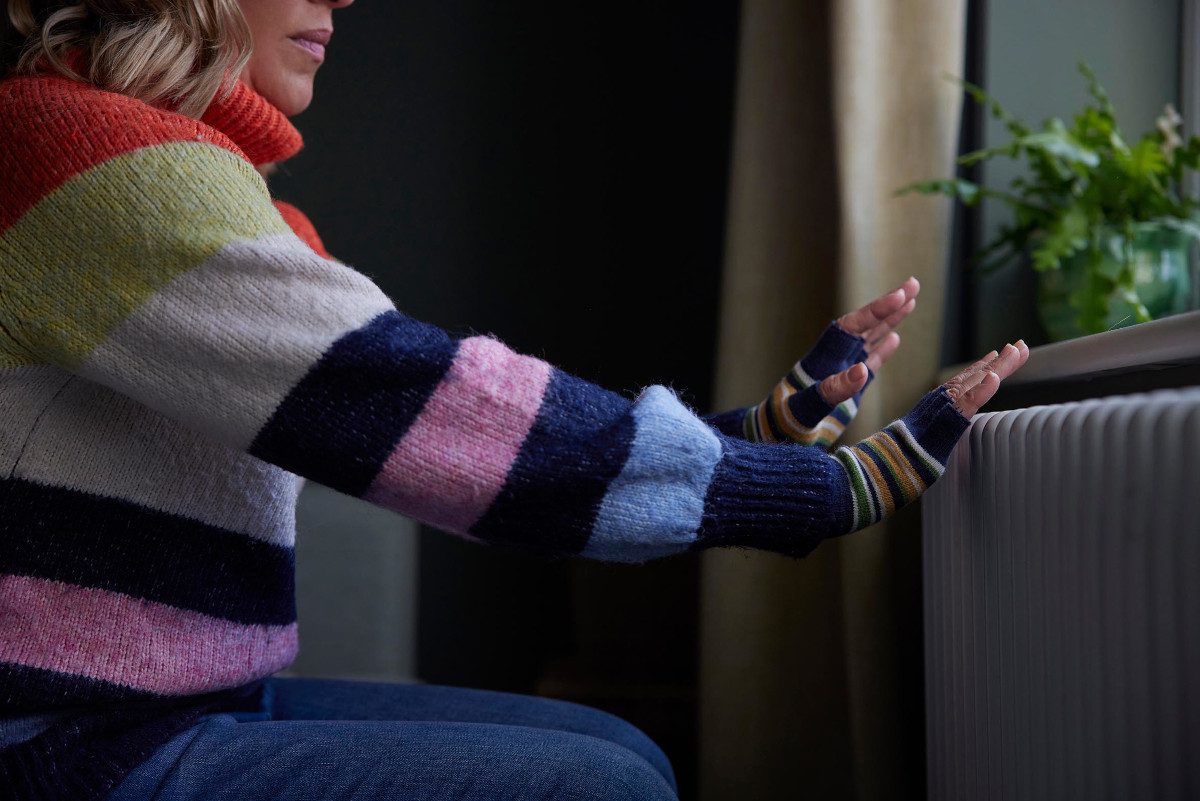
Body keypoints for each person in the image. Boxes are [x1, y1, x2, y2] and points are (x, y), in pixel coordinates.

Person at [0, 1, 1029, 799]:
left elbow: (446, 443)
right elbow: (438, 414)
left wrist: (758, 437)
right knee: (607, 784)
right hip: (60, 745)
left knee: (614, 750)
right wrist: (817, 488)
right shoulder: (73, 150)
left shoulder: (195, 186)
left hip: (180, 709)